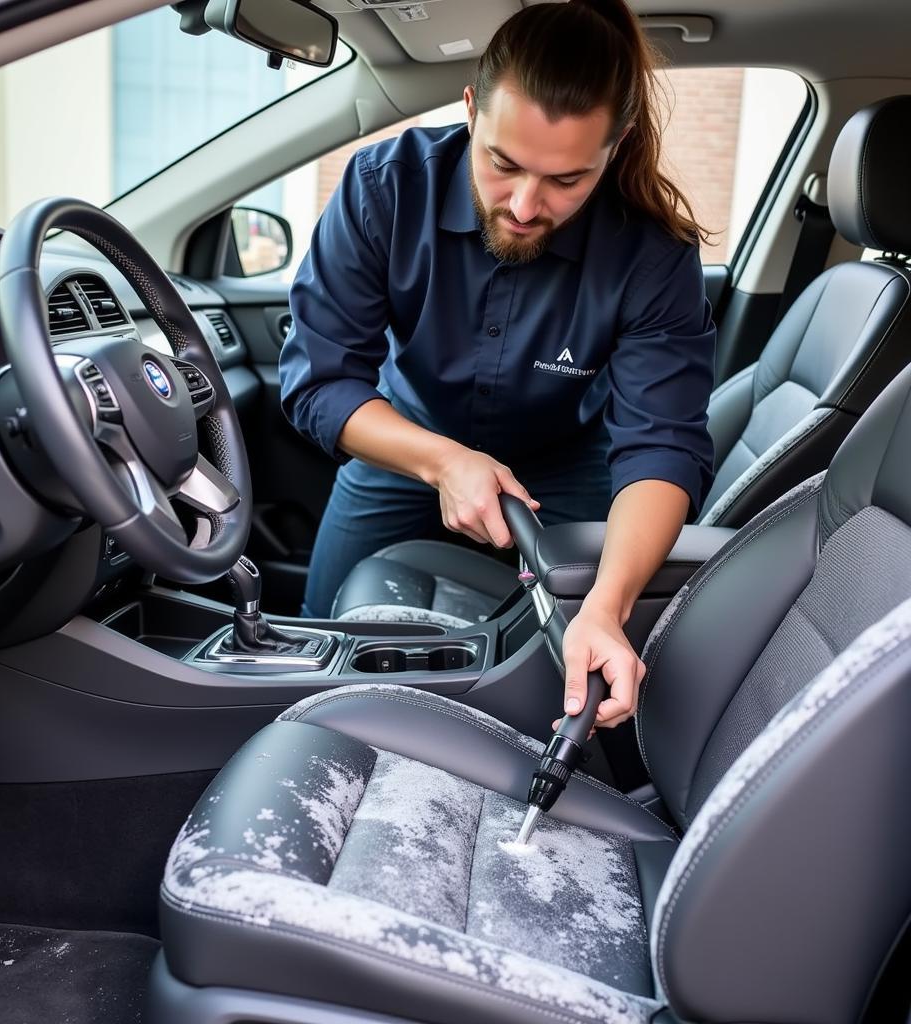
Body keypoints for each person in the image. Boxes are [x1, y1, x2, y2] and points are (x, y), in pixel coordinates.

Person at [279, 0, 716, 731]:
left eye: (566, 181)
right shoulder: (384, 188)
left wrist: (606, 609)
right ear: (471, 109)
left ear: (617, 147)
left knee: (553, 678)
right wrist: (443, 461)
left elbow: (662, 445)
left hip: (567, 464)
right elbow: (320, 380)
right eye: (502, 163)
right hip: (404, 442)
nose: (523, 204)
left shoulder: (653, 256)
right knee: (321, 653)